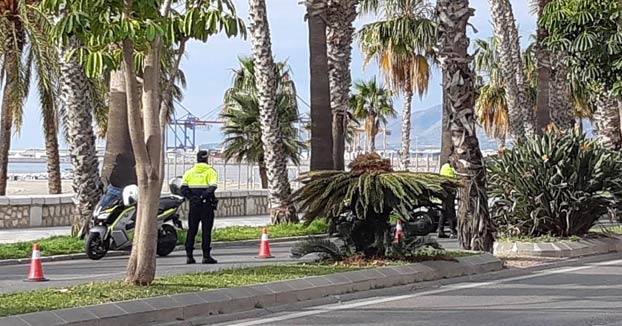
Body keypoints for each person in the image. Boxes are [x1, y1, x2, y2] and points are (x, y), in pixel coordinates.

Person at [181, 150, 219, 264]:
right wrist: (202, 196)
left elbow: (183, 189)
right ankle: (206, 256)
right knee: (206, 230)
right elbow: (212, 187)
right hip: (206, 204)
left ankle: (189, 256)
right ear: (206, 159)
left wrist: (192, 198)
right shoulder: (211, 172)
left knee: (192, 229)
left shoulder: (189, 172)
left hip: (194, 205)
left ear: (197, 159)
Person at [438, 161, 457, 239]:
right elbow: (452, 179)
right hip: (449, 191)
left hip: (444, 191)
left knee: (444, 211)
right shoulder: (449, 168)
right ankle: (452, 231)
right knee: (450, 211)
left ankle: (440, 230)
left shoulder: (444, 167)